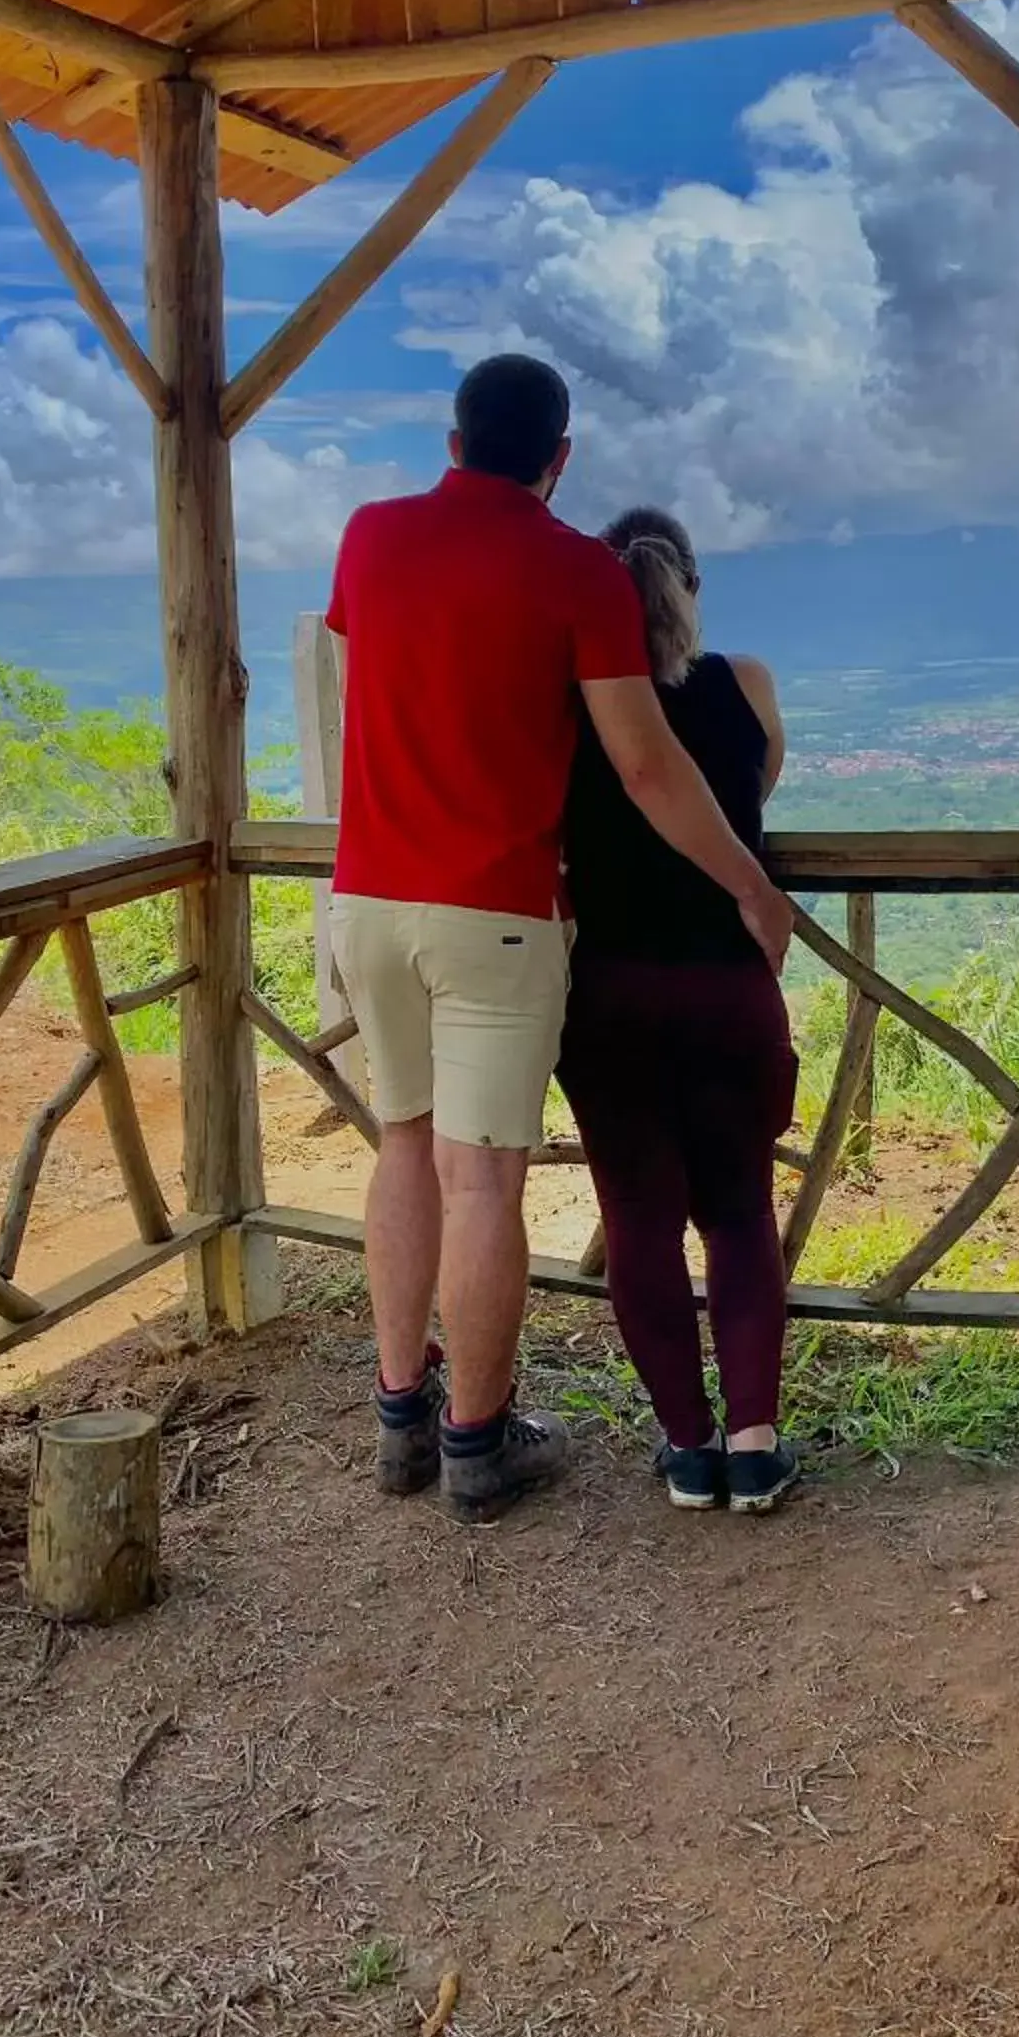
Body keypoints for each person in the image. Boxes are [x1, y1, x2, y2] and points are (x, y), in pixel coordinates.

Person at [326, 359, 792, 1524]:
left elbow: (366, 686)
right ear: (560, 456)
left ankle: (399, 1415)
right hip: (495, 907)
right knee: (482, 1176)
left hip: (366, 897)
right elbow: (646, 764)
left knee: (402, 1144)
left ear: (451, 438)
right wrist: (753, 885)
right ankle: (476, 1444)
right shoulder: (577, 569)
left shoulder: (369, 538)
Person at [556, 508, 804, 1515]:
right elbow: (759, 787)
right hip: (728, 989)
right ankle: (754, 1441)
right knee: (740, 1214)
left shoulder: (571, 706)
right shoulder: (746, 683)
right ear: (691, 588)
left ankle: (686, 1444)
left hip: (611, 996)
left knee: (640, 1224)